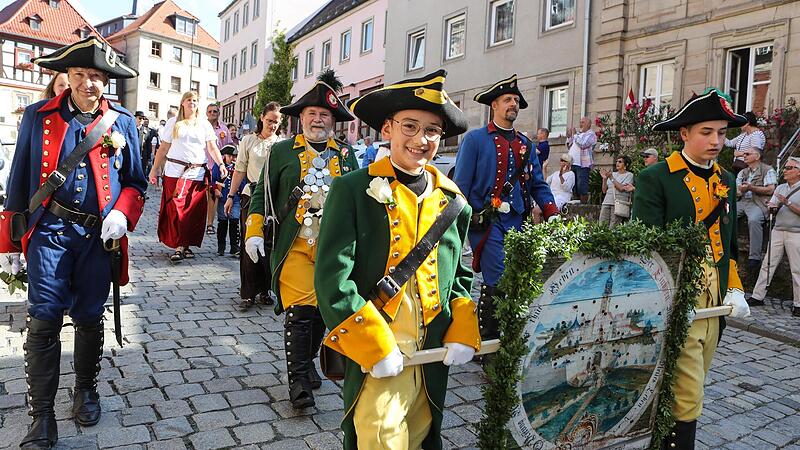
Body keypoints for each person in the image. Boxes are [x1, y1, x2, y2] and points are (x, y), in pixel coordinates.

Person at [316, 68, 479, 450]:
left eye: (432, 130)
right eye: (410, 126)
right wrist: (373, 344)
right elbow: (332, 278)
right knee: (380, 437)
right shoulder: (353, 189)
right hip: (381, 352)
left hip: (431, 354)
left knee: (420, 435)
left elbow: (460, 275)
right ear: (386, 129)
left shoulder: (454, 201)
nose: (421, 139)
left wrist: (461, 330)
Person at [0, 37, 146, 450]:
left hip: (98, 236)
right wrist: (10, 245)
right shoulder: (37, 116)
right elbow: (18, 182)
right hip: (48, 231)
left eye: (97, 77)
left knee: (88, 314)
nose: (88, 83)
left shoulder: (123, 123)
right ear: (67, 77)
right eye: (81, 75)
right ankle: (41, 417)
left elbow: (135, 182)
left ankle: (85, 390)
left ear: (106, 82)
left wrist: (122, 213)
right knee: (43, 316)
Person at [632, 88, 751, 450]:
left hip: (715, 299)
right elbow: (647, 248)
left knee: (693, 383)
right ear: (684, 134)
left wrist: (735, 287)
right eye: (706, 132)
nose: (717, 141)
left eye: (722, 132)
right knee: (686, 392)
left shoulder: (726, 181)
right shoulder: (656, 177)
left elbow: (728, 245)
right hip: (678, 296)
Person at [244, 70, 359, 409]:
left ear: (333, 120)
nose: (318, 120)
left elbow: (356, 203)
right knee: (300, 311)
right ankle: (298, 384)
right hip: (294, 246)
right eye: (312, 114)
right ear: (301, 118)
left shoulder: (346, 156)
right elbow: (260, 196)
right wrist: (253, 232)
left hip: (331, 249)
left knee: (322, 311)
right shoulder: (281, 152)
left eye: (324, 115)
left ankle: (308, 363)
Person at [454, 73, 558, 341]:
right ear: (494, 106)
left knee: (517, 278)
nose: (513, 103)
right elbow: (461, 186)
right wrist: (461, 224)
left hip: (519, 222)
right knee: (497, 278)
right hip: (488, 224)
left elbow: (538, 183)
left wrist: (551, 211)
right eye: (507, 99)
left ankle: (509, 335)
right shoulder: (475, 140)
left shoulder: (526, 144)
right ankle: (489, 340)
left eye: (515, 100)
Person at [149, 91, 227, 262]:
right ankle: (179, 245)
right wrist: (154, 169)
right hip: (174, 171)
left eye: (195, 100)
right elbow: (163, 148)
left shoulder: (204, 124)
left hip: (196, 173)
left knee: (192, 212)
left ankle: (185, 244)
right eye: (189, 100)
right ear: (183, 103)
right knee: (176, 209)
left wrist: (221, 164)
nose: (192, 103)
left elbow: (212, 148)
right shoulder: (173, 123)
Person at [226, 101, 281, 311]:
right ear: (261, 117)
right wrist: (231, 195)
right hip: (252, 195)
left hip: (273, 200)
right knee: (249, 242)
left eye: (276, 122)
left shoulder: (281, 144)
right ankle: (248, 293)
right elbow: (239, 169)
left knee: (269, 245)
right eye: (269, 120)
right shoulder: (248, 141)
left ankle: (266, 290)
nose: (272, 125)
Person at [747, 156, 800, 315]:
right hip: (777, 230)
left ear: (798, 172)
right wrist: (772, 207)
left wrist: (787, 203)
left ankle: (798, 304)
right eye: (785, 167)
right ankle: (758, 296)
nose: (785, 170)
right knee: (768, 263)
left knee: (797, 269)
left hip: (796, 233)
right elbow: (775, 206)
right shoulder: (780, 188)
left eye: (789, 168)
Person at [736, 147, 777, 281]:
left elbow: (771, 190)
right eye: (743, 154)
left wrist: (750, 187)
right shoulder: (743, 172)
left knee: (754, 219)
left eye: (747, 154)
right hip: (743, 201)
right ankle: (726, 247)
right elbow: (737, 192)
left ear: (757, 156)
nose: (744, 156)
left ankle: (754, 257)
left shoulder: (768, 169)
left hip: (758, 202)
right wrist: (740, 190)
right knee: (727, 213)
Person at [205, 103, 233, 235]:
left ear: (219, 113)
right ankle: (202, 221)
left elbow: (228, 146)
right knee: (202, 197)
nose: (212, 113)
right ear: (206, 113)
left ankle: (210, 223)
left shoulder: (224, 129)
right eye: (209, 111)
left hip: (218, 168)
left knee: (214, 195)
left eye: (215, 111)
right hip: (203, 166)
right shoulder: (202, 127)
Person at [212, 145, 244, 256]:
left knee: (235, 222)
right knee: (222, 223)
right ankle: (221, 247)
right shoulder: (218, 167)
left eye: (235, 156)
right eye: (230, 156)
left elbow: (242, 181)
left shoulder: (237, 167)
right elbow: (214, 180)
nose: (233, 158)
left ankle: (234, 247)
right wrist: (216, 189)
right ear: (224, 156)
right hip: (222, 198)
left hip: (235, 198)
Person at [534, 153, 575, 223]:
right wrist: (544, 168)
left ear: (568, 163)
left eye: (563, 160)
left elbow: (566, 188)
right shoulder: (556, 173)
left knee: (543, 211)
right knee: (535, 211)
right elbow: (545, 182)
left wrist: (561, 176)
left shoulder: (571, 174)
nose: (561, 162)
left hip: (561, 197)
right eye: (561, 160)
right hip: (551, 195)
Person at [567, 117, 596, 203]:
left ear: (589, 124)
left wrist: (575, 135)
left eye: (583, 122)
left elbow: (583, 144)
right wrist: (569, 136)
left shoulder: (591, 134)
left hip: (582, 164)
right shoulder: (579, 135)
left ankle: (583, 206)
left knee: (582, 186)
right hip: (573, 163)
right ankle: (575, 203)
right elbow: (569, 145)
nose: (580, 124)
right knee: (574, 185)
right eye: (580, 122)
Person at [599, 155, 634, 228]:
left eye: (620, 162)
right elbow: (604, 190)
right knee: (602, 225)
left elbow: (621, 188)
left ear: (626, 165)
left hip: (618, 203)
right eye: (617, 161)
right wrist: (604, 179)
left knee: (613, 227)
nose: (617, 163)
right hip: (606, 202)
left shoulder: (629, 175)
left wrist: (611, 178)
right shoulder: (613, 174)